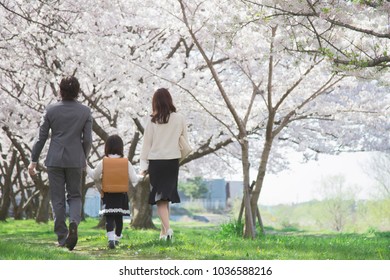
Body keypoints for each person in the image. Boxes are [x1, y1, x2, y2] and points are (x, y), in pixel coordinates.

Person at [28, 76, 93, 250]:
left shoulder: (51, 110)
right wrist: (83, 156)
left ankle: (63, 237)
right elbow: (87, 139)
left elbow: (41, 138)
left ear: (61, 90)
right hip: (75, 159)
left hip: (54, 159)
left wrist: (33, 161)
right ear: (78, 91)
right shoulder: (85, 111)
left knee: (57, 198)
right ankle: (74, 222)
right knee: (75, 195)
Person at [140, 88, 190, 241]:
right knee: (165, 198)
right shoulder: (179, 118)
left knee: (160, 198)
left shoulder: (151, 120)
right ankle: (163, 234)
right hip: (172, 162)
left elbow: (146, 145)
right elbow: (185, 143)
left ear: (155, 102)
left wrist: (143, 166)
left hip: (156, 162)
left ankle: (168, 230)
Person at [86, 134, 138, 249]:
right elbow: (134, 179)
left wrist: (86, 166)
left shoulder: (103, 162)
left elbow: (94, 175)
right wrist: (143, 175)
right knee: (119, 219)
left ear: (107, 147)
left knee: (109, 218)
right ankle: (117, 238)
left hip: (108, 194)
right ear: (121, 147)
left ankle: (110, 239)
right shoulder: (126, 162)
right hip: (121, 194)